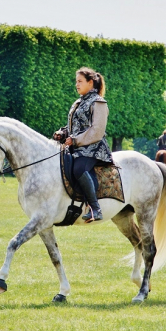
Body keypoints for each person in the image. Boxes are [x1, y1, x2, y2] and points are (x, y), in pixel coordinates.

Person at [53, 67, 112, 223]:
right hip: (77, 148)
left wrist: (75, 140)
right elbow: (74, 127)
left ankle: (95, 208)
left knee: (79, 168)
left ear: (90, 82)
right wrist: (63, 133)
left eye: (80, 81)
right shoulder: (78, 102)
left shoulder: (98, 102)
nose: (76, 85)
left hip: (94, 149)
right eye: (76, 81)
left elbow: (97, 131)